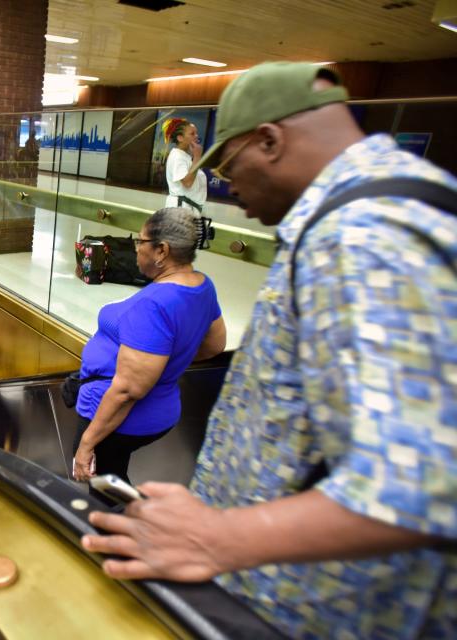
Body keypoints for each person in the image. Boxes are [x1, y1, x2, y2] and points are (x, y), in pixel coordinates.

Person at [81, 62, 457, 639]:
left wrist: (213, 537)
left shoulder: (362, 236)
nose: (233, 192)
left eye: (231, 169)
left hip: (316, 611)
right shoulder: (373, 214)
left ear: (271, 140)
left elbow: (418, 483)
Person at [71, 207, 225, 485]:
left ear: (161, 251)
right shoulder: (202, 286)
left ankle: (134, 525)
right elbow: (215, 344)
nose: (135, 248)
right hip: (160, 409)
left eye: (140, 242)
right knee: (113, 477)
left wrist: (86, 444)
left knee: (107, 490)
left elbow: (128, 390)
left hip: (121, 419)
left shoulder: (153, 305)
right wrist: (163, 363)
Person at [163, 118, 206, 215]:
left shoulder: (185, 156)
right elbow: (187, 182)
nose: (196, 136)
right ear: (180, 138)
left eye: (196, 133)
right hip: (181, 209)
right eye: (192, 134)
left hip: (187, 208)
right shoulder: (178, 156)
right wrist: (197, 157)